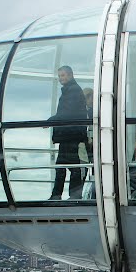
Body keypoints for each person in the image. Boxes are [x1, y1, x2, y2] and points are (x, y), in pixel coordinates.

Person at [48, 66, 88, 200]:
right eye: (59, 76)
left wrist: (53, 120)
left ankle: (67, 196)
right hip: (69, 135)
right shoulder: (70, 90)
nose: (61, 79)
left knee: (71, 167)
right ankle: (68, 195)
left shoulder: (73, 91)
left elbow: (68, 112)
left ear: (71, 75)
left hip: (72, 136)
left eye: (63, 75)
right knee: (64, 166)